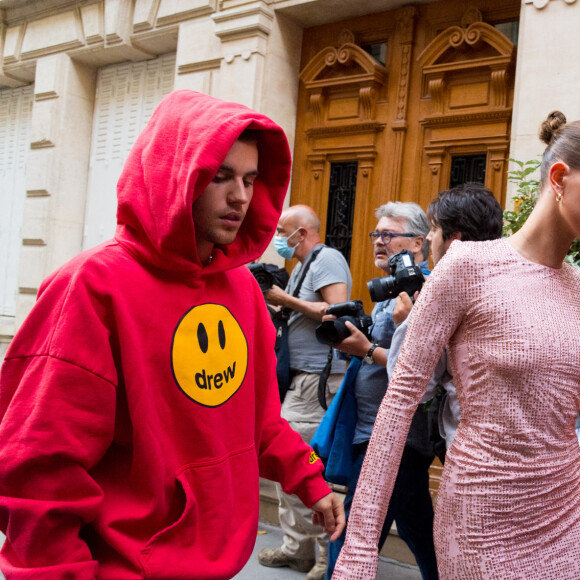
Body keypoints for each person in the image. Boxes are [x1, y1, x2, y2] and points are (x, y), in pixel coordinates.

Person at [0, 90, 344, 579]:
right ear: (172, 176)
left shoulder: (244, 291)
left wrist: (310, 479)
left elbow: (259, 422)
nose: (240, 196)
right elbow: (41, 464)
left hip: (219, 561)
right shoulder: (94, 285)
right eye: (220, 176)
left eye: (249, 179)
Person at [333, 110, 580, 579]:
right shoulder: (468, 267)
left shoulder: (579, 289)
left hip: (567, 511)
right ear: (560, 177)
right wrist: (360, 551)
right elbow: (400, 403)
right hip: (482, 518)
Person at [324, 202, 438, 580]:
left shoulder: (423, 291)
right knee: (416, 527)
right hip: (379, 431)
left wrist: (366, 350)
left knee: (354, 534)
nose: (378, 242)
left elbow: (424, 366)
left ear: (418, 242)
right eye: (376, 234)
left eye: (389, 235)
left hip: (391, 437)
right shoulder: (391, 291)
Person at [258, 205, 352, 580]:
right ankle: (298, 548)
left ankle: (327, 556)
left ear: (303, 231)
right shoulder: (302, 265)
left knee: (309, 463)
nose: (278, 237)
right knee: (291, 464)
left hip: (318, 381)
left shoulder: (327, 258)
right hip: (298, 378)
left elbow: (336, 311)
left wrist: (286, 301)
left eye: (284, 230)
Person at [389, 183, 503, 452]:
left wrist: (411, 321)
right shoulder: (522, 283)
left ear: (455, 240)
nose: (429, 238)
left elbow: (412, 386)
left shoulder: (446, 295)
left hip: (470, 453)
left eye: (434, 229)